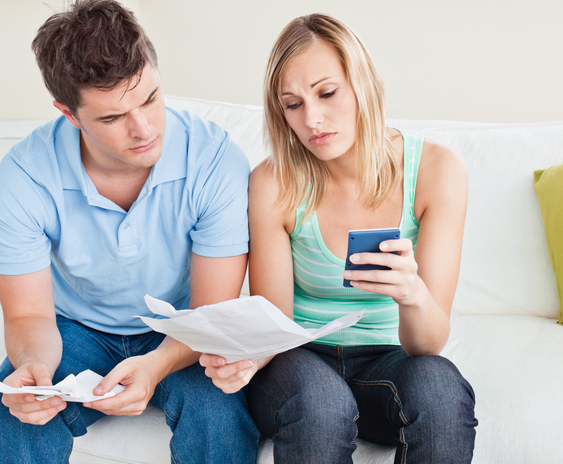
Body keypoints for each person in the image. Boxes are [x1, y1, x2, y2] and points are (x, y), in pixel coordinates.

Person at [0, 1, 258, 462]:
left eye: (149, 98)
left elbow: (213, 310)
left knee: (218, 411)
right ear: (69, 114)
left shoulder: (214, 159)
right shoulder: (23, 178)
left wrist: (157, 365)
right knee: (15, 414)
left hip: (182, 328)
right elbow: (28, 317)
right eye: (112, 118)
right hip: (75, 330)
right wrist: (33, 366)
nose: (144, 129)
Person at [201, 13, 478, 464]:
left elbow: (426, 347)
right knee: (321, 405)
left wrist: (411, 295)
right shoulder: (273, 183)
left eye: (327, 93)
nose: (312, 119)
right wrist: (248, 359)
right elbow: (276, 323)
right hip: (299, 362)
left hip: (390, 359)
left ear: (361, 85)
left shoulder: (436, 171)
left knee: (441, 389)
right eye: (292, 104)